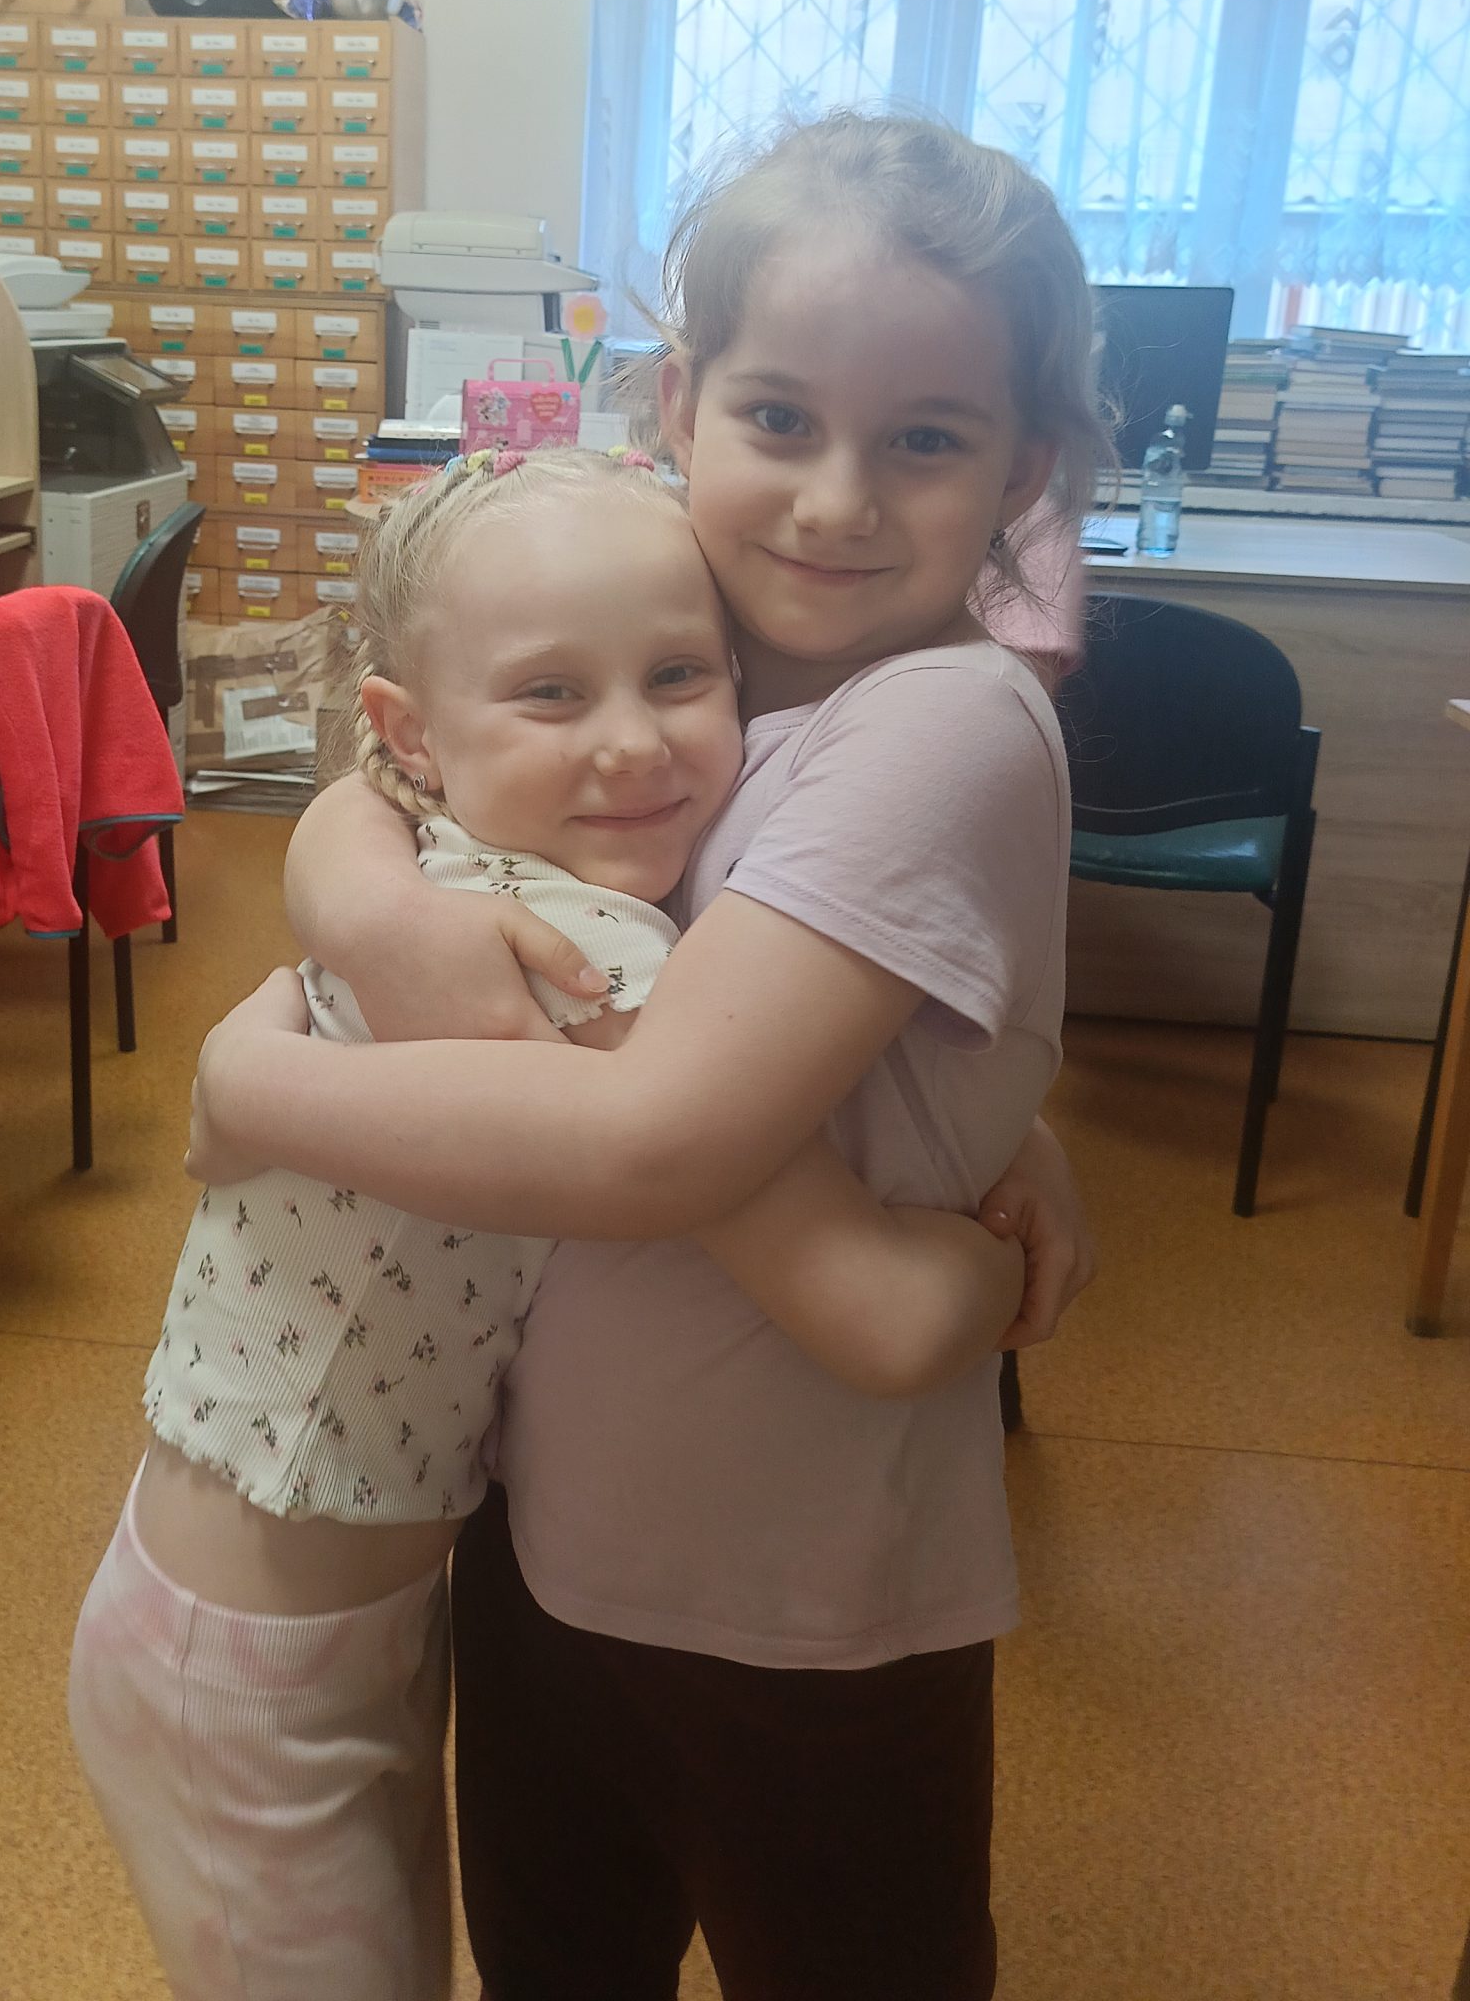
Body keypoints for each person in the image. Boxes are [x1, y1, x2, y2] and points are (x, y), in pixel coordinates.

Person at [191, 111, 1108, 2000]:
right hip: (546, 1547)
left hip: (809, 1616)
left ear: (1023, 466)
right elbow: (407, 766)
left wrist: (248, 1085)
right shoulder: (702, 662)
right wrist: (368, 896)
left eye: (924, 441)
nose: (836, 502)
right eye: (780, 418)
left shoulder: (942, 721)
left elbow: (657, 1140)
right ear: (682, 405)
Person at [69, 442, 1032, 2001]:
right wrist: (1004, 1247)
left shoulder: (454, 849)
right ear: (414, 733)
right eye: (552, 694)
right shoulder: (583, 956)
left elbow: (352, 812)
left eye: (679, 675)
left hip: (330, 1619)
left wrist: (1022, 1126)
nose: (635, 744)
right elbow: (886, 1314)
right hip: (244, 1669)